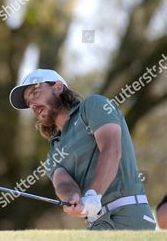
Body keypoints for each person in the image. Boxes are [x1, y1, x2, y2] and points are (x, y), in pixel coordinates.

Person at [9, 69, 156, 230]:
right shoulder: (53, 154)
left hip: (130, 215)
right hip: (97, 225)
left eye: (35, 93)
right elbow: (63, 183)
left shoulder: (93, 106)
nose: (32, 104)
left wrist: (93, 194)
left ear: (58, 87)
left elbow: (111, 149)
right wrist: (73, 199)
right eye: (28, 102)